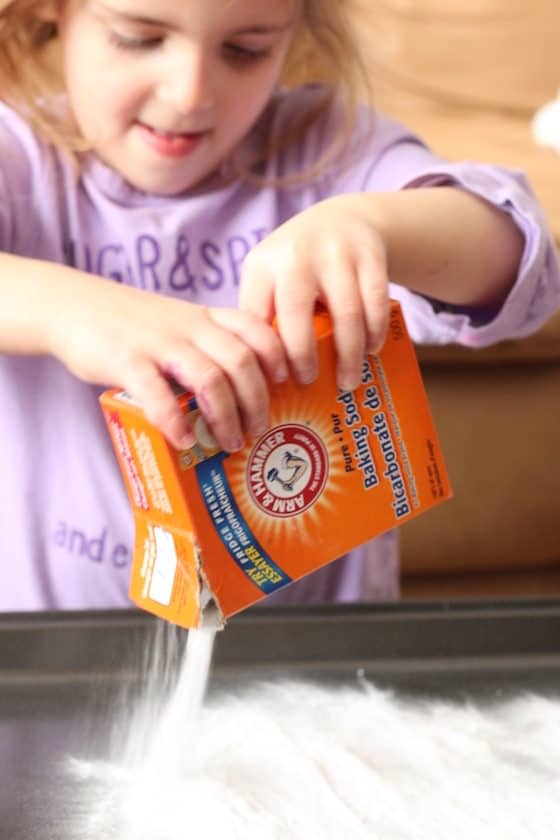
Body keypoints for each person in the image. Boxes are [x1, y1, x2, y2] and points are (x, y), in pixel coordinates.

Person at [0, 0, 558, 612]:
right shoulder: (22, 160)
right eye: (139, 38)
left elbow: (521, 263)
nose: (189, 93)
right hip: (51, 667)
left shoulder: (326, 150)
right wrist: (70, 311)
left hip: (321, 667)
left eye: (245, 50)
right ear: (51, 9)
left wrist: (373, 225)